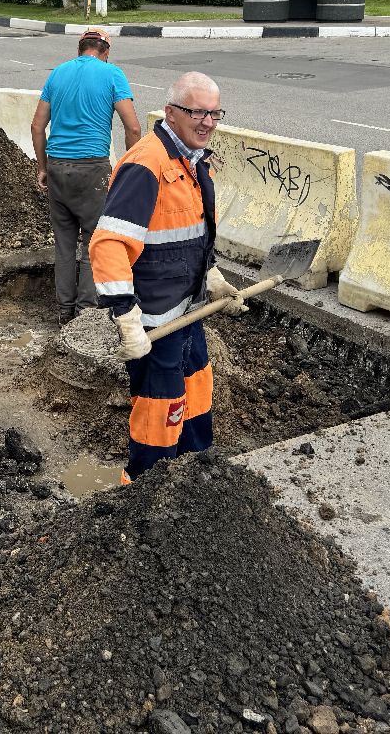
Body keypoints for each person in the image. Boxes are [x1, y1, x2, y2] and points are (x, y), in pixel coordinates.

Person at [89, 72, 244, 480]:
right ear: (171, 113)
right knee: (160, 409)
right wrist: (125, 317)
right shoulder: (147, 164)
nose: (207, 122)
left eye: (214, 113)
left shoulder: (193, 161)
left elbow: (186, 234)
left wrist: (212, 277)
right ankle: (143, 492)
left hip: (189, 310)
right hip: (157, 318)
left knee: (196, 393)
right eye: (197, 112)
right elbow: (108, 245)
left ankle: (194, 478)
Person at [30, 28, 142, 323]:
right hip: (92, 169)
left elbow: (37, 126)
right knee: (94, 240)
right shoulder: (112, 74)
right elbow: (133, 128)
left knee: (64, 243)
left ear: (80, 49)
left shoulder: (57, 74)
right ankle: (85, 313)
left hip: (56, 167)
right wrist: (130, 171)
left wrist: (42, 167)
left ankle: (63, 310)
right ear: (106, 51)